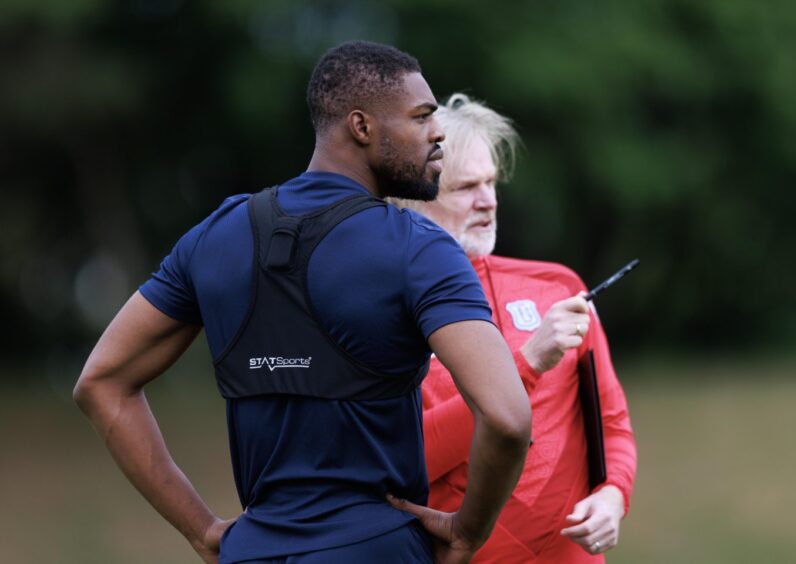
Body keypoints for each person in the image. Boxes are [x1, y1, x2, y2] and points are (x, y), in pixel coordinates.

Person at [73, 43, 532, 564]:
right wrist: (468, 531)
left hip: (253, 550)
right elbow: (508, 417)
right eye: (421, 117)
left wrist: (202, 530)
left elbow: (101, 383)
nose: (439, 132)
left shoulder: (216, 236)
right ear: (361, 127)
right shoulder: (418, 248)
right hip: (376, 548)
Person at [390, 94, 637, 563]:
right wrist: (526, 365)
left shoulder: (558, 286)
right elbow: (403, 464)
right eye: (465, 188)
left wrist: (613, 495)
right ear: (414, 201)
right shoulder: (383, 314)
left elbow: (612, 425)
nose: (488, 201)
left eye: (491, 183)